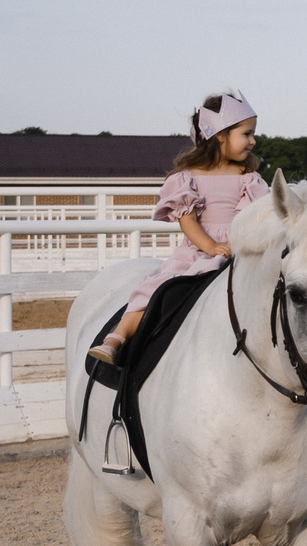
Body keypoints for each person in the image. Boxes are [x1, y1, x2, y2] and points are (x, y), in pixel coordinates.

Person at [91, 91, 269, 365]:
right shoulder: (188, 178)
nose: (253, 140)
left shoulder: (249, 178)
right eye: (246, 133)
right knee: (156, 289)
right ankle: (118, 337)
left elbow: (253, 218)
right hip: (199, 250)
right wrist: (210, 247)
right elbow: (188, 220)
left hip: (238, 249)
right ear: (220, 134)